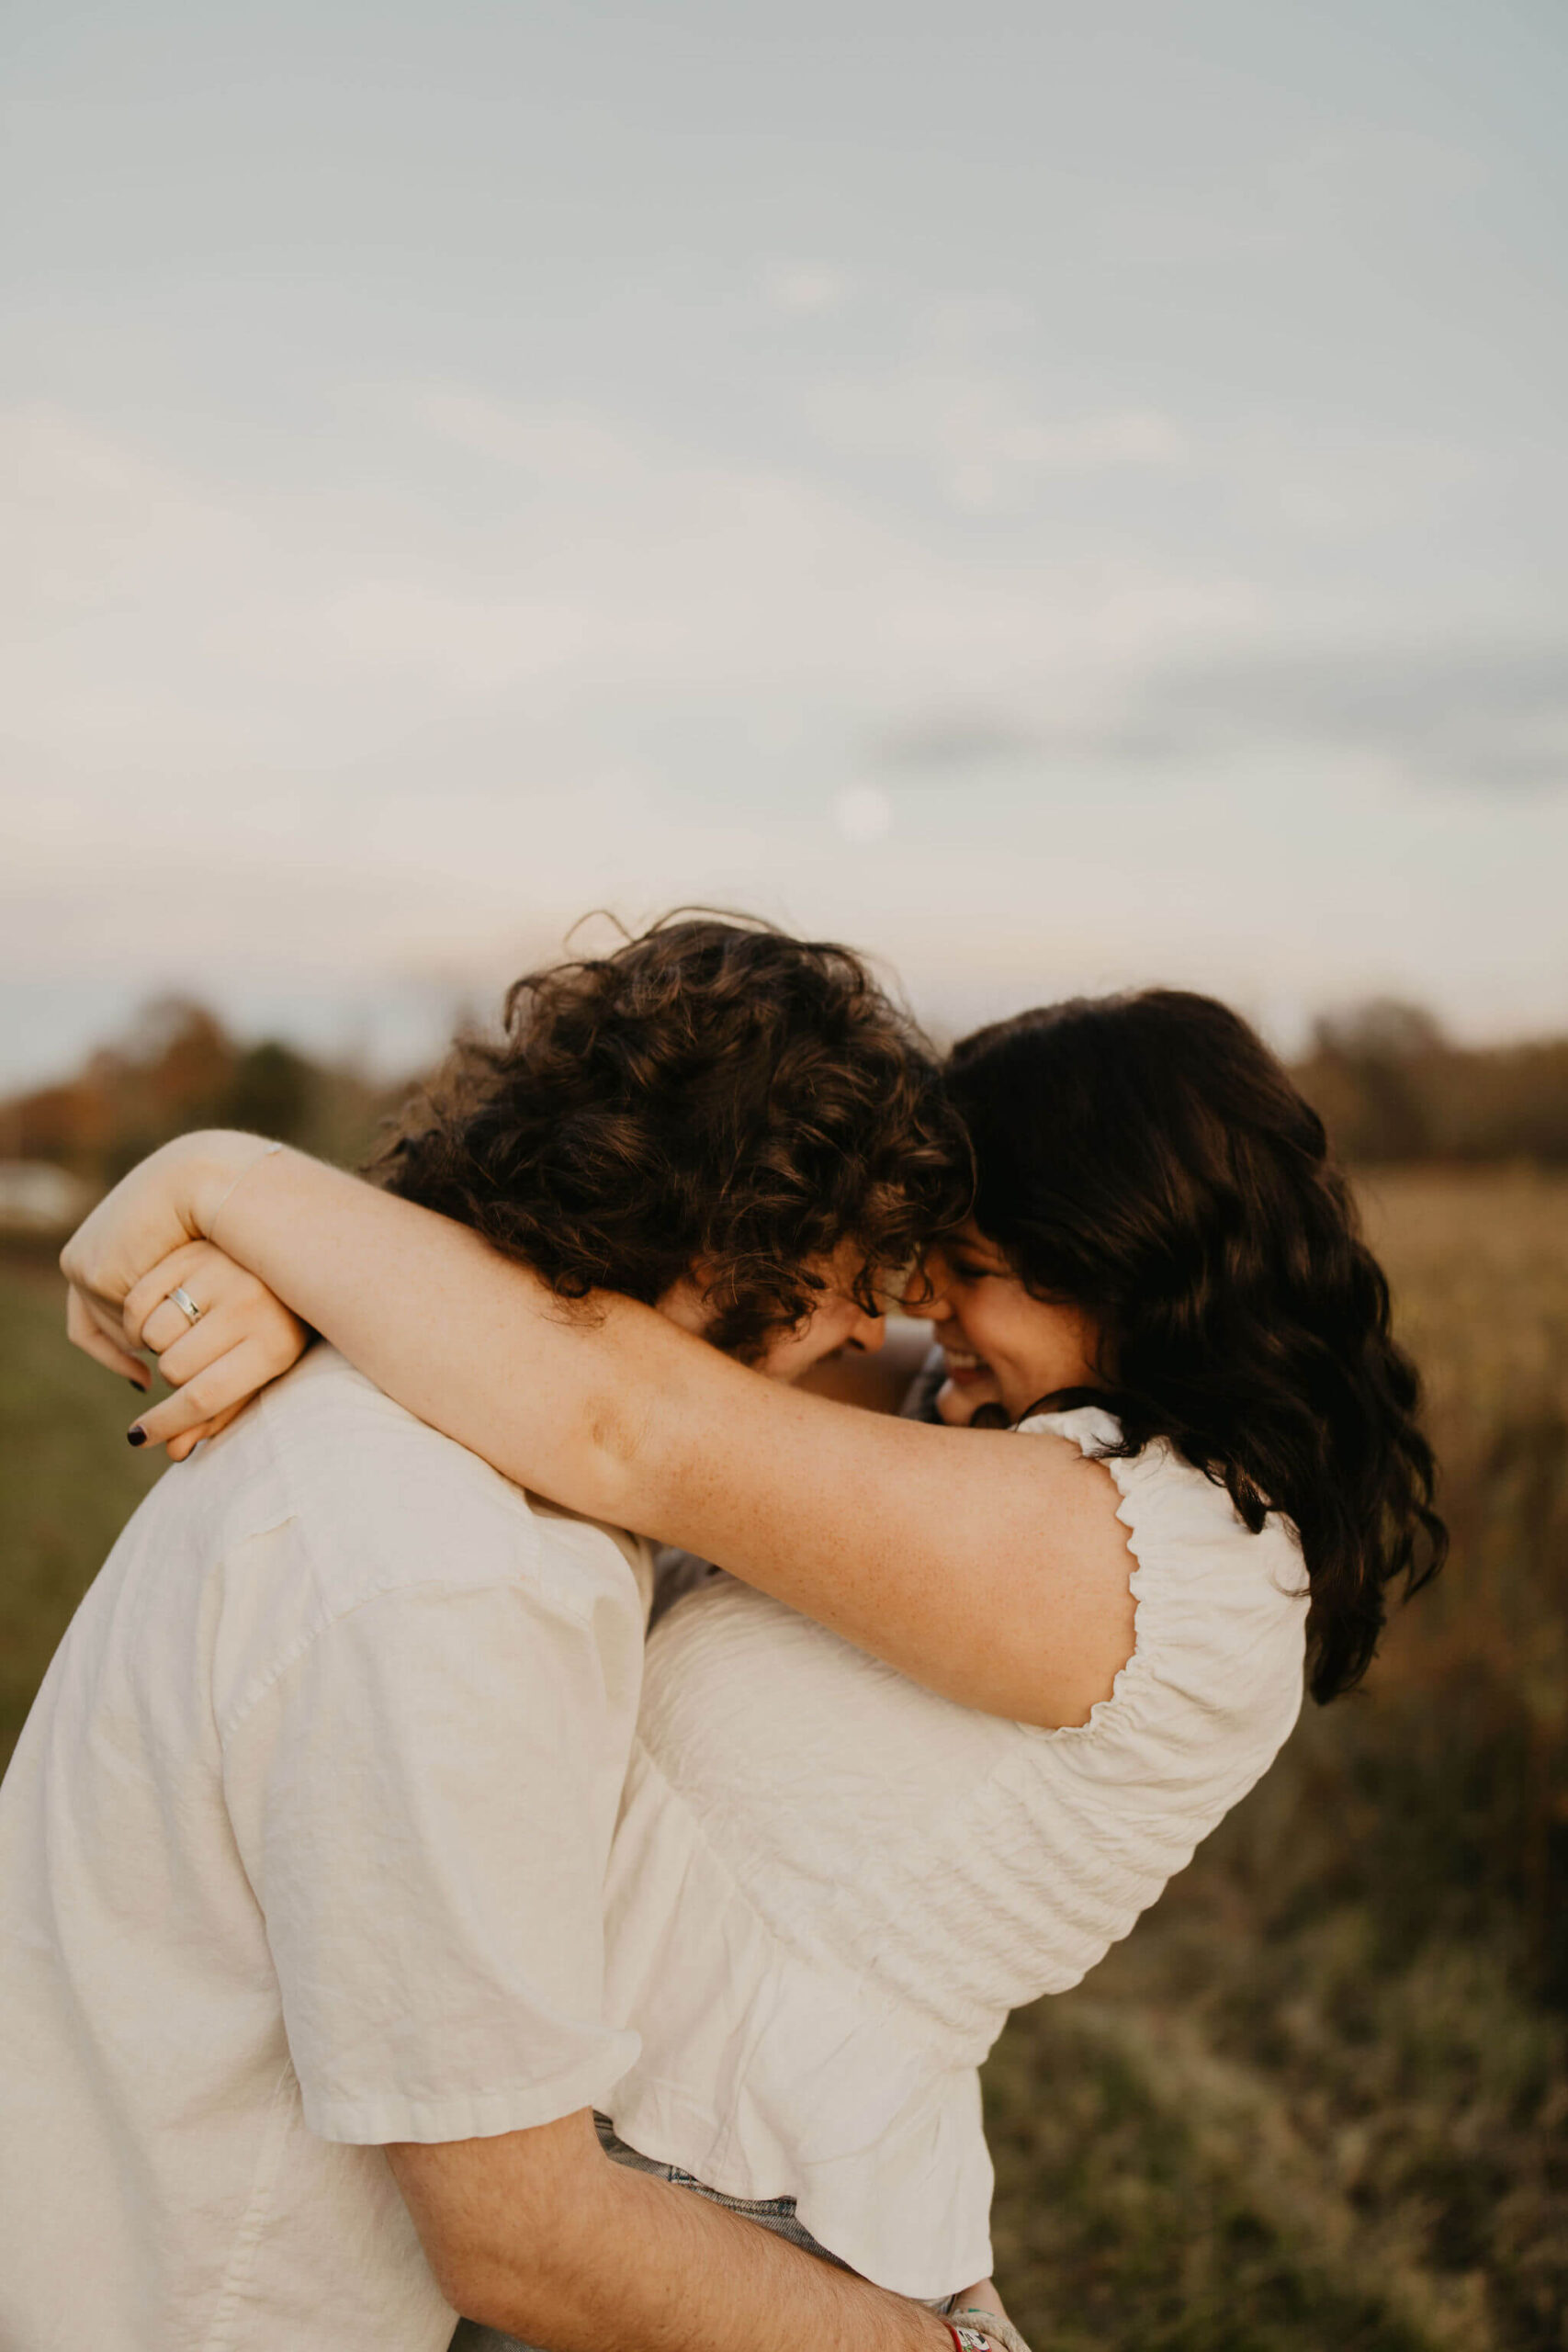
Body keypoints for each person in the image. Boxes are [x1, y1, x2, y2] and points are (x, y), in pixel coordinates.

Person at [55, 981, 1447, 2332]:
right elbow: (579, 1309)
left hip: (742, 2214)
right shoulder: (996, 1425)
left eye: (965, 1272)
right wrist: (272, 1276)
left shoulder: (1150, 1561)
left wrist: (224, 1180)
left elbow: (620, 1413)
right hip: (625, 2164)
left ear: (1125, 1261)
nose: (919, 1313)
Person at [0, 917, 1003, 2352]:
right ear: (735, 1238)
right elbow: (522, 2237)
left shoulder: (418, 1405)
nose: (866, 1330)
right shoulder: (447, 1574)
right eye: (847, 1272)